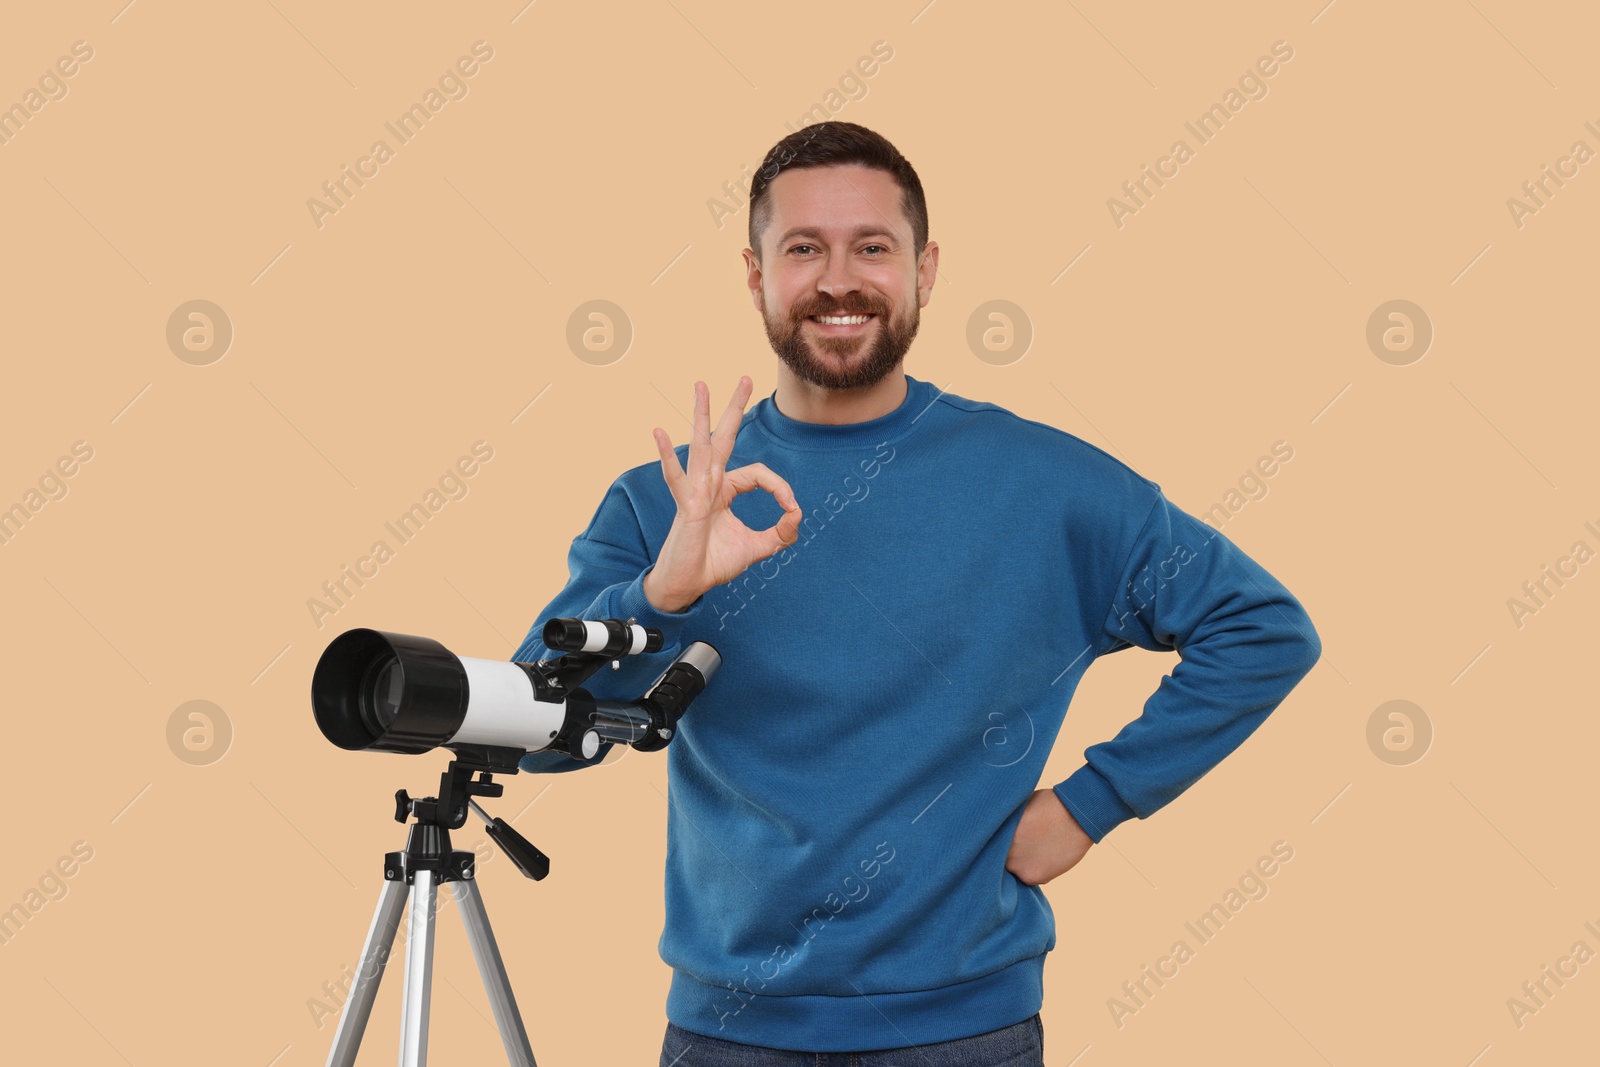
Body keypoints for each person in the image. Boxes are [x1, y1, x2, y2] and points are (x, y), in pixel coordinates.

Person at [512, 121, 1321, 1067]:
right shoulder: (668, 500)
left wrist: (1093, 803)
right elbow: (536, 737)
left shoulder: (1042, 483)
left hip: (964, 1035)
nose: (838, 280)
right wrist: (664, 590)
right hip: (727, 1037)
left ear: (925, 270)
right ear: (754, 273)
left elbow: (1263, 628)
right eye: (803, 248)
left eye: (872, 248)